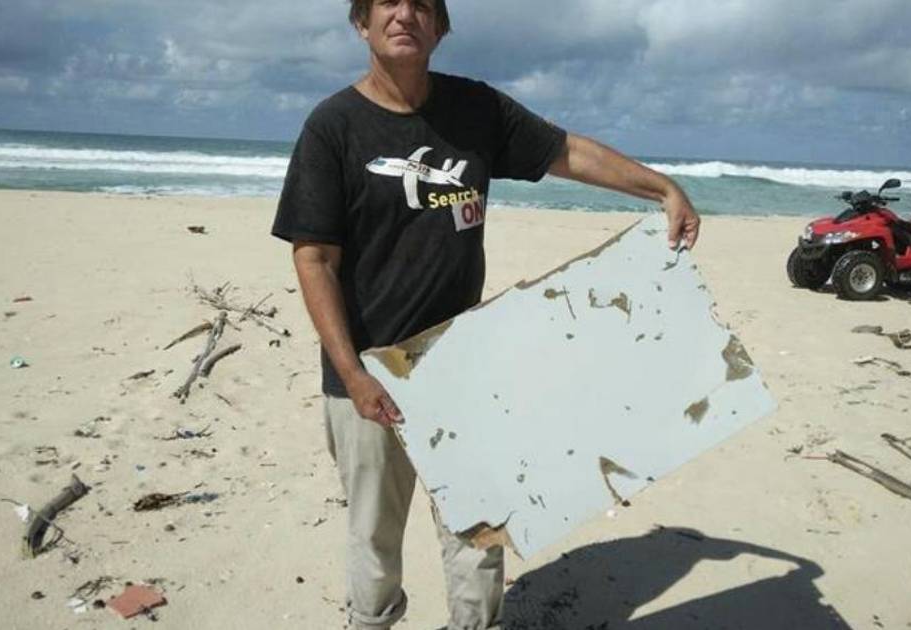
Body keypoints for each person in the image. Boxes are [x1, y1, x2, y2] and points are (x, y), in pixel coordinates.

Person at [270, 1, 700, 628]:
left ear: (440, 28)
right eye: (387, 1)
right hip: (369, 373)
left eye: (423, 4)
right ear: (361, 23)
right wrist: (354, 373)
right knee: (373, 538)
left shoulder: (475, 110)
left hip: (462, 366)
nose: (405, 13)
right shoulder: (332, 127)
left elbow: (567, 152)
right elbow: (314, 260)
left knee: (478, 530)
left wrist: (662, 187)